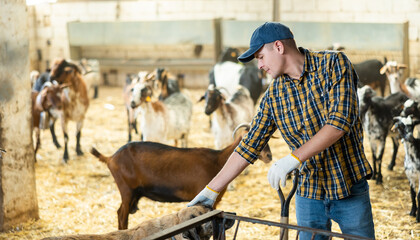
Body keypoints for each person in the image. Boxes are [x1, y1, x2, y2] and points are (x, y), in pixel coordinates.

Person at [188, 22, 375, 240]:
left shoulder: (334, 64)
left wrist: (293, 158)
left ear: (278, 47)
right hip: (309, 192)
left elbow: (339, 122)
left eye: (260, 57)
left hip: (348, 185)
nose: (259, 65)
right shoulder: (273, 95)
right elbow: (249, 145)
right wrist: (212, 190)